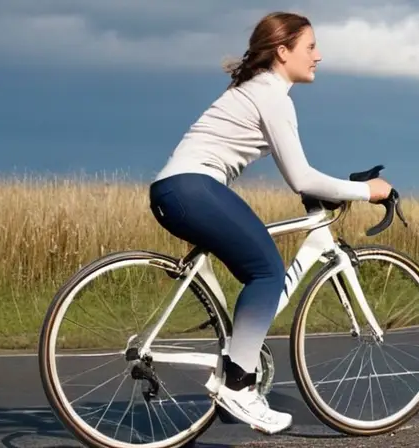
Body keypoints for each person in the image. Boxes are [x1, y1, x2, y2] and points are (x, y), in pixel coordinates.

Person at [147, 11, 393, 434]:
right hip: (193, 188)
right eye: (310, 47)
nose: (319, 56)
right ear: (283, 52)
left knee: (257, 268)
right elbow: (301, 176)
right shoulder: (273, 95)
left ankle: (235, 372)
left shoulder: (258, 89)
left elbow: (298, 173)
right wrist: (366, 191)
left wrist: (323, 190)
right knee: (267, 270)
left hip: (177, 190)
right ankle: (238, 385)